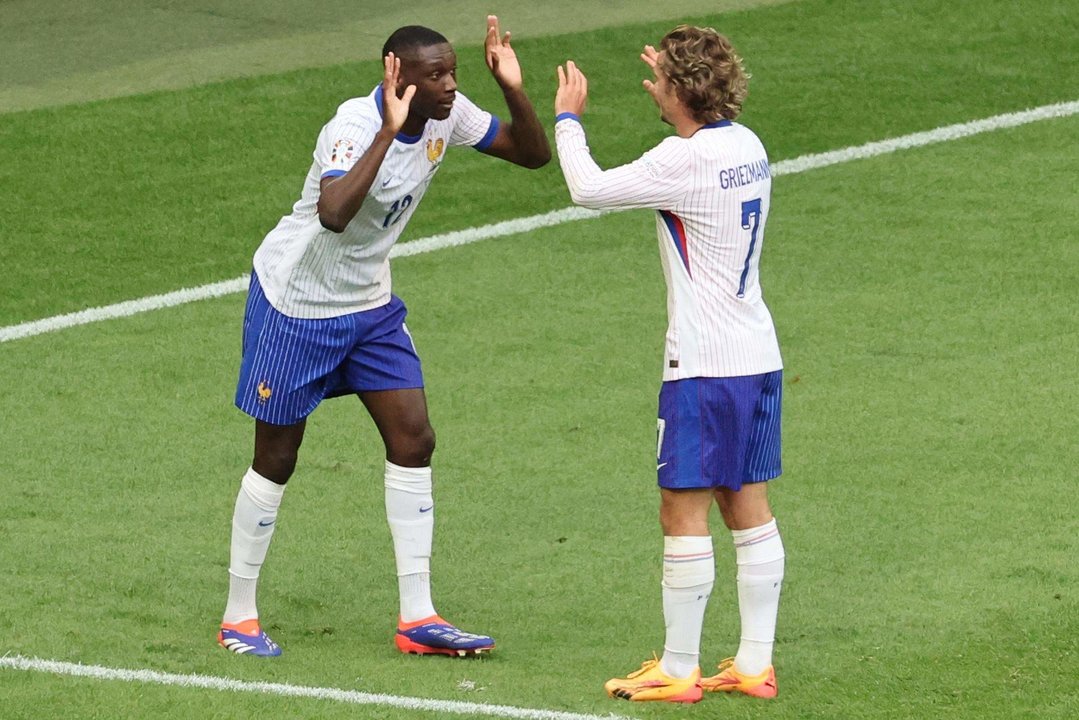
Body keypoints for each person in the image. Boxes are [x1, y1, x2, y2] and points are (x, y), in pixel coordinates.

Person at [218, 16, 550, 658]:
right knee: (277, 457)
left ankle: (417, 617)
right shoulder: (351, 128)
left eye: (453, 72)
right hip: (298, 304)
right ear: (396, 74)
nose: (451, 85)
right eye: (436, 76)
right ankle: (239, 615)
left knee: (414, 438)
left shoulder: (448, 114)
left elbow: (531, 154)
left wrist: (510, 86)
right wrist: (390, 132)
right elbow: (334, 213)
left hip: (369, 306)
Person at [553, 26, 785, 701]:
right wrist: (681, 79)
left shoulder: (680, 162)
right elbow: (692, 116)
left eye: (660, 81)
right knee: (747, 505)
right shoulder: (747, 146)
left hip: (704, 367)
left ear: (681, 91)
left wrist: (569, 116)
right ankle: (751, 664)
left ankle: (679, 670)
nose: (650, 86)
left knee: (680, 508)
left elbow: (587, 188)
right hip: (756, 355)